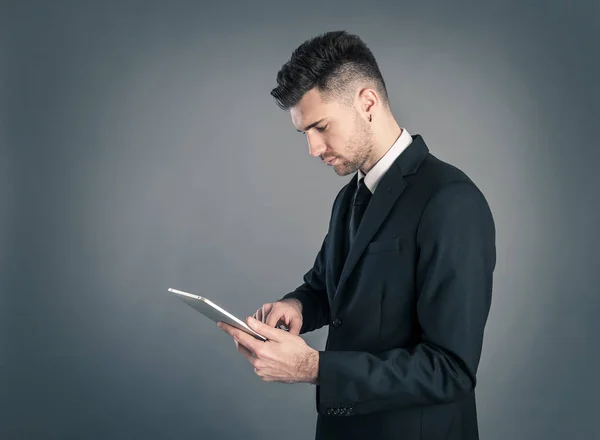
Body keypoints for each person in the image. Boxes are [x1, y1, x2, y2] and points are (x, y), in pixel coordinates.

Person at [218, 30, 496, 440]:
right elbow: (331, 287)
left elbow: (450, 370)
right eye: (304, 134)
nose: (313, 149)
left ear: (367, 103)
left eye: (321, 127)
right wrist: (296, 306)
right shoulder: (349, 196)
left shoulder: (452, 201)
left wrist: (314, 368)